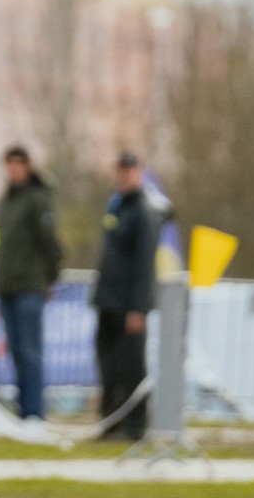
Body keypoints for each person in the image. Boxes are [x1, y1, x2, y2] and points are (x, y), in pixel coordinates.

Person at [92, 151, 160, 441]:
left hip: (129, 305)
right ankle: (111, 423)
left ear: (139, 173)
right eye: (120, 170)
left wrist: (139, 308)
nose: (123, 176)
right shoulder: (116, 206)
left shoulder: (145, 211)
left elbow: (145, 265)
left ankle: (135, 426)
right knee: (108, 367)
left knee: (132, 368)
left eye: (129, 170)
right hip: (108, 302)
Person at [0, 145, 63, 424]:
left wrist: (49, 278)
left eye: (18, 163)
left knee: (30, 351)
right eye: (9, 164)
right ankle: (23, 409)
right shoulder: (6, 201)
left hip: (30, 286)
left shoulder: (37, 199)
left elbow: (50, 242)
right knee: (17, 351)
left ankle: (35, 411)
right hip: (7, 286)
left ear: (27, 167)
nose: (13, 169)